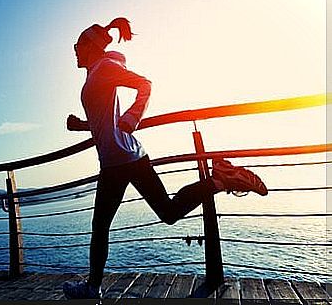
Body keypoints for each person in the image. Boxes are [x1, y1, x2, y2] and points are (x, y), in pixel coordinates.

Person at [62, 18, 268, 300]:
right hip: (118, 160)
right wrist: (82, 126)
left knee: (112, 223)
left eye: (77, 45)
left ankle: (220, 180)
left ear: (90, 46)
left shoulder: (105, 68)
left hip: (124, 158)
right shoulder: (95, 72)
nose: (74, 51)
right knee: (160, 214)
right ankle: (219, 181)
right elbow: (104, 122)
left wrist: (132, 117)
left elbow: (144, 85)